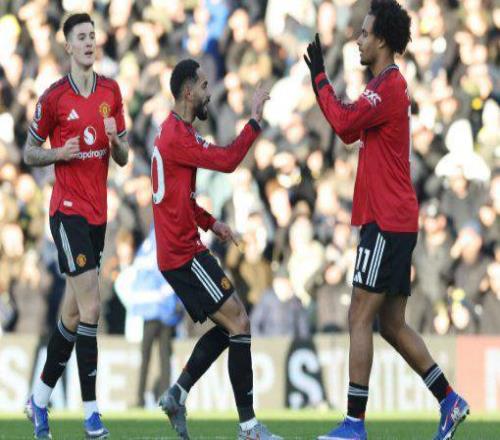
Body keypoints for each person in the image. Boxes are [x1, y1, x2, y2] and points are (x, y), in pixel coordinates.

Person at [303, 1, 469, 439]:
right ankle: (449, 401)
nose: (358, 40)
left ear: (381, 40)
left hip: (386, 219)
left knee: (359, 315)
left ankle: (354, 425)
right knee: (391, 325)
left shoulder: (388, 86)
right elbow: (352, 127)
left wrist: (319, 78)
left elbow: (343, 125)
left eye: (364, 33)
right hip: (395, 218)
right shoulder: (382, 87)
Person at [151, 59, 281, 440]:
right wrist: (254, 120)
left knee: (231, 326)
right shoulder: (178, 136)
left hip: (181, 250)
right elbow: (227, 161)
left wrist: (213, 224)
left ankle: (177, 394)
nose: (209, 94)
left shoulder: (174, 132)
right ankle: (249, 428)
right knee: (239, 322)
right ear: (188, 91)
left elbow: (179, 200)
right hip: (182, 254)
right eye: (205, 86)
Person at [23, 13, 130, 440]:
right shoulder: (53, 98)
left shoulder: (111, 92)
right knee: (92, 308)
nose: (88, 42)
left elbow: (123, 158)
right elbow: (29, 152)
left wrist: (116, 141)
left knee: (72, 313)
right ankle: (91, 414)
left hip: (98, 214)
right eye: (81, 37)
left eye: (92, 36)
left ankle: (38, 400)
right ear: (68, 46)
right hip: (66, 213)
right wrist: (58, 154)